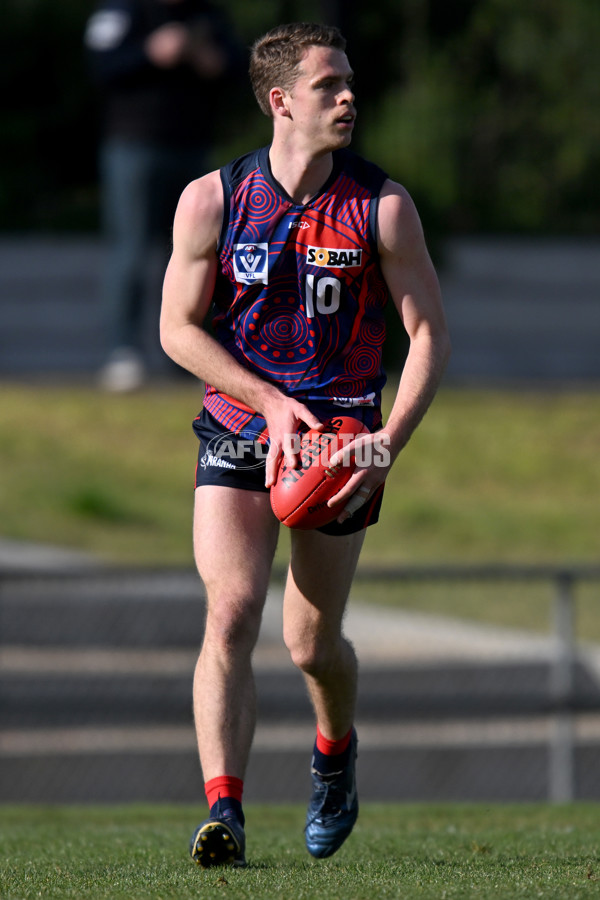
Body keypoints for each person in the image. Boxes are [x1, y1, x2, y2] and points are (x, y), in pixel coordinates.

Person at [160, 22, 451, 867]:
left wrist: (388, 440)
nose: (350, 96)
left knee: (311, 648)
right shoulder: (212, 199)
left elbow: (428, 333)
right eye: (330, 86)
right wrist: (269, 402)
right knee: (230, 612)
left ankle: (334, 754)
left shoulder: (381, 204)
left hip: (343, 446)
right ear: (282, 101)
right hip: (240, 428)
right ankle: (226, 813)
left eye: (351, 82)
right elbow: (176, 330)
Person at [84, 0, 244, 391]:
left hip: (193, 149)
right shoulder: (124, 12)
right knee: (132, 251)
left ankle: (192, 358)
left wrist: (211, 59)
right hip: (133, 146)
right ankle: (124, 352)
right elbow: (100, 66)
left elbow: (243, 67)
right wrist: (150, 51)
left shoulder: (206, 15)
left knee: (199, 253)